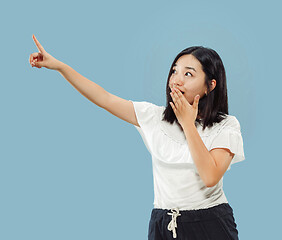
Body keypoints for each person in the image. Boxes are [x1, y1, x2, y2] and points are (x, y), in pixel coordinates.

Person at [29, 34, 246, 240]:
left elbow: (210, 177)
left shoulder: (225, 125)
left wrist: (188, 124)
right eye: (174, 71)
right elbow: (103, 97)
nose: (176, 80)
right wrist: (59, 66)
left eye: (188, 74)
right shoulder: (153, 117)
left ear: (210, 86)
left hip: (209, 223)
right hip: (163, 223)